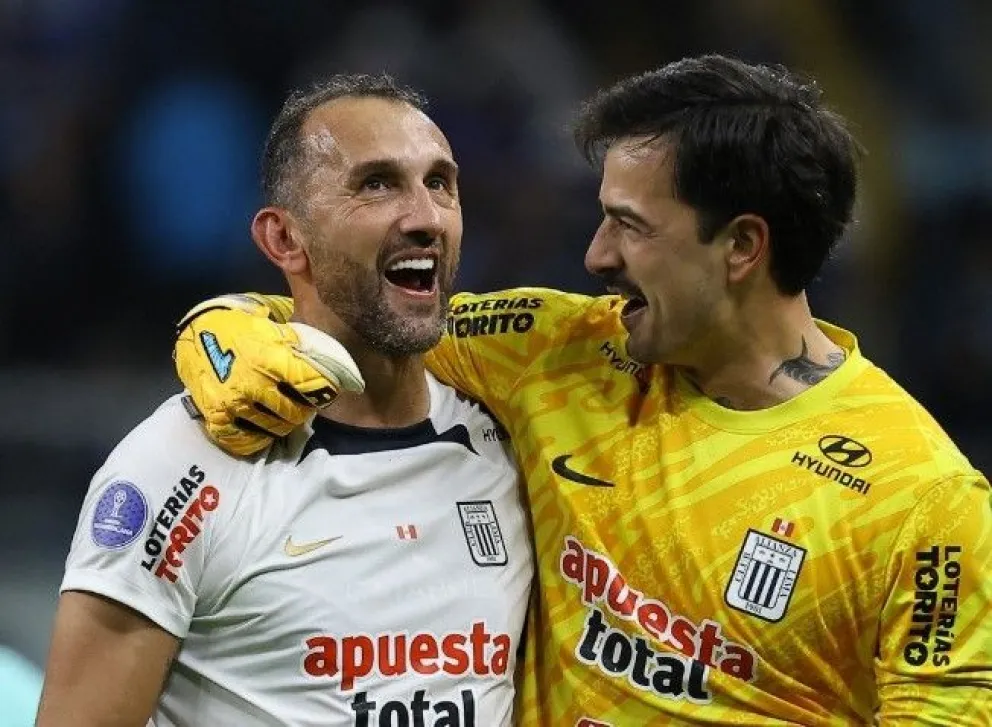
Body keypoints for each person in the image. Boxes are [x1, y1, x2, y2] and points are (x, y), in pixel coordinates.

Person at [172, 55, 992, 725]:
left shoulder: (919, 498)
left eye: (631, 224)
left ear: (742, 245)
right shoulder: (556, 348)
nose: (597, 255)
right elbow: (357, 306)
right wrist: (225, 325)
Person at [37, 74, 533, 726]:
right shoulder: (179, 467)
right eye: (377, 184)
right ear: (284, 240)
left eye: (440, 182)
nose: (426, 218)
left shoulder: (512, 445)